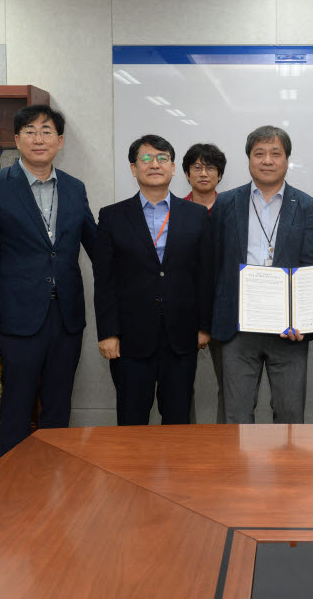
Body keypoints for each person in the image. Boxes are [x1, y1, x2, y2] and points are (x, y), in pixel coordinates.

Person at [0, 105, 97, 455]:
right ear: (16, 139)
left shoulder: (74, 187)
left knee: (58, 403)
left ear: (60, 140)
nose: (38, 138)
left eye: (46, 131)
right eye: (29, 130)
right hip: (17, 315)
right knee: (17, 403)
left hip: (66, 314)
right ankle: (13, 483)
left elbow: (95, 245)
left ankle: (54, 478)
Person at [93, 135, 212, 425]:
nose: (154, 164)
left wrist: (205, 326)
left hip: (181, 336)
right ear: (133, 169)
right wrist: (108, 332)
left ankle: (178, 471)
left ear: (173, 168)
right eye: (146, 159)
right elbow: (104, 279)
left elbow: (206, 273)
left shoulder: (197, 215)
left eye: (162, 158)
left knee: (178, 418)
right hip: (130, 338)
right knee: (131, 420)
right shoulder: (112, 216)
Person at [211, 125, 313, 423]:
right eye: (259, 153)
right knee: (235, 414)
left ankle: (286, 470)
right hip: (237, 327)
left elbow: (312, 267)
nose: (267, 160)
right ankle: (236, 471)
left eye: (276, 153)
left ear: (287, 160)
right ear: (248, 159)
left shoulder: (307, 206)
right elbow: (214, 264)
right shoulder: (225, 203)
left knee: (289, 414)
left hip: (288, 330)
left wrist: (306, 321)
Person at [181, 143, 227, 422]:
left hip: (224, 309)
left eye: (210, 167)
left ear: (219, 175)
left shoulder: (232, 209)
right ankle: (186, 443)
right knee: (182, 385)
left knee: (231, 387)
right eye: (196, 167)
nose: (203, 173)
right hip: (184, 309)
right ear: (186, 174)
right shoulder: (174, 210)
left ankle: (226, 445)